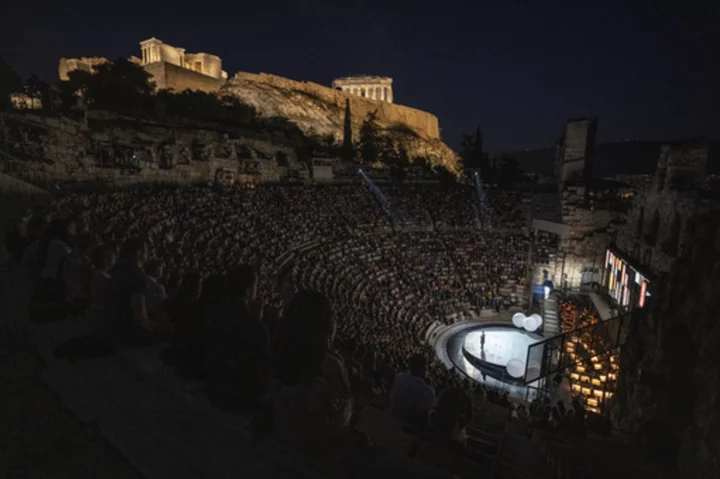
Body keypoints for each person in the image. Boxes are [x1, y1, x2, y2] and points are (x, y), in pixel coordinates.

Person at [206, 265, 270, 410]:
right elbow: (260, 373)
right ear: (247, 291)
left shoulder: (215, 311)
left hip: (214, 383)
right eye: (256, 286)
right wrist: (257, 321)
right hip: (237, 395)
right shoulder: (256, 328)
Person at [106, 237, 153, 345]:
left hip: (110, 320)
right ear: (138, 252)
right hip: (124, 329)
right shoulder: (138, 276)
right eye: (146, 250)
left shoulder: (115, 268)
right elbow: (139, 315)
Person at [388, 354, 435, 426]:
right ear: (424, 368)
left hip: (391, 420)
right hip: (408, 431)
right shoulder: (427, 392)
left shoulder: (398, 377)